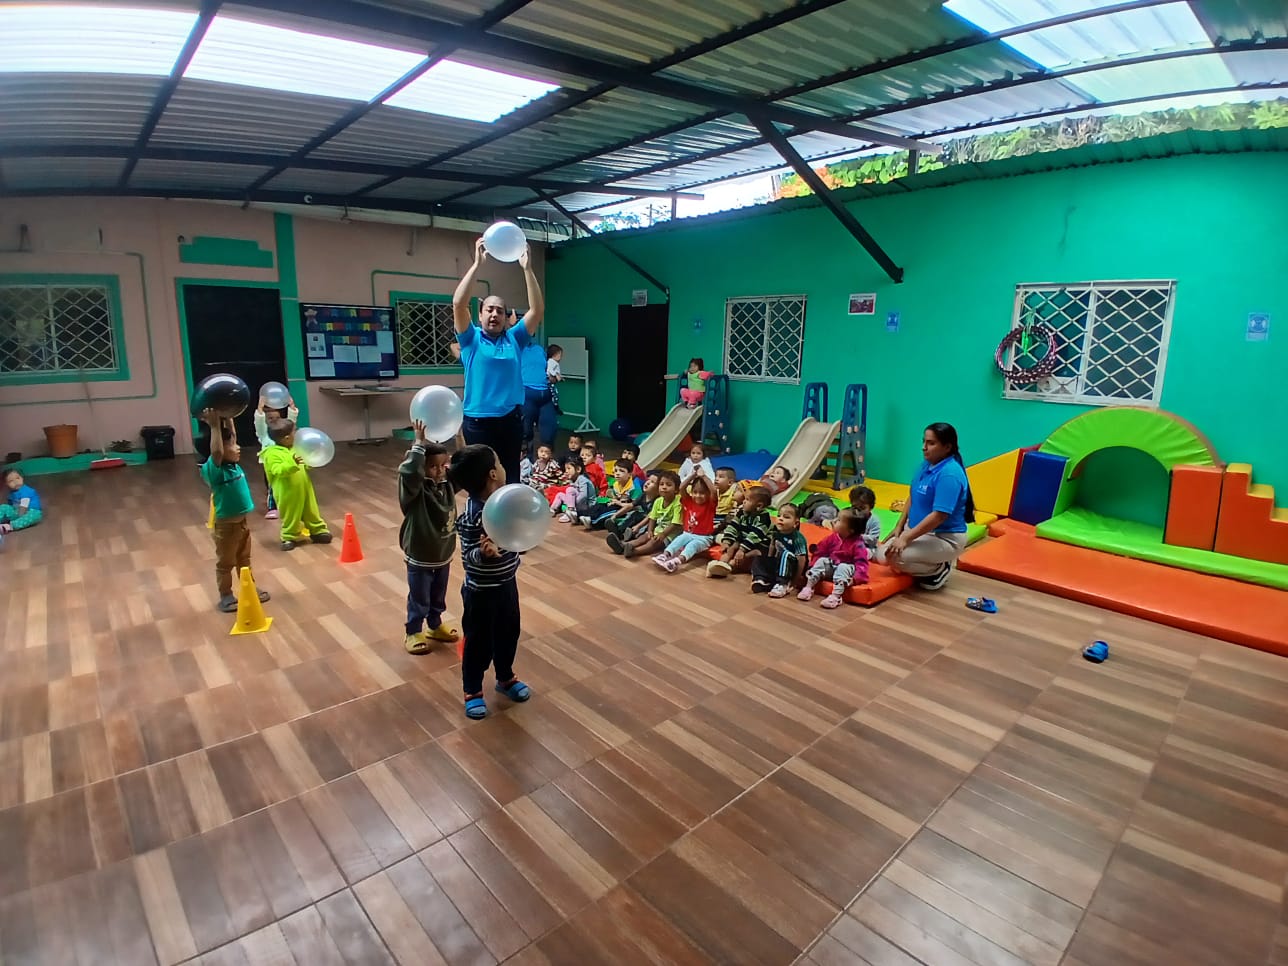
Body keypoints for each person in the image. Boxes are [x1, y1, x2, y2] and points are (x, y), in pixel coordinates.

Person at [453, 237, 544, 487]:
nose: (494, 314)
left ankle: (508, 513)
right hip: (478, 422)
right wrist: (476, 266)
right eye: (489, 309)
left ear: (506, 317)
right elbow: (458, 304)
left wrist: (527, 269)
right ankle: (478, 512)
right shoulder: (471, 338)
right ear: (480, 314)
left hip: (510, 420)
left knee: (509, 478)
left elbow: (537, 310)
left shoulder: (515, 338)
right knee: (480, 480)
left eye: (500, 311)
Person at [449, 443, 531, 720]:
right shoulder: (474, 515)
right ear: (493, 474)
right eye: (499, 463)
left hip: (507, 584)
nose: (503, 467)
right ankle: (472, 689)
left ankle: (505, 677)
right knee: (478, 643)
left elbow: (517, 536)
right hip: (480, 592)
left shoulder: (506, 505)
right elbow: (467, 557)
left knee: (509, 634)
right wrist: (483, 555)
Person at [875, 422, 975, 591]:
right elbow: (913, 495)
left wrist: (905, 539)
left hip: (943, 538)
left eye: (931, 443)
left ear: (947, 447)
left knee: (896, 559)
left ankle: (939, 569)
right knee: (882, 555)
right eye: (924, 441)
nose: (924, 447)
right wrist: (899, 526)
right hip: (918, 531)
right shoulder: (926, 465)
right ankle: (925, 562)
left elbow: (939, 516)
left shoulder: (949, 474)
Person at [398, 419, 460, 655]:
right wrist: (418, 444)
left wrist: (459, 438)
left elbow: (463, 469)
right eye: (433, 466)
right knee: (419, 597)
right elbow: (409, 472)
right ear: (422, 467)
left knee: (438, 595)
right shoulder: (414, 489)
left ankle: (434, 625)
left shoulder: (446, 485)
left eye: (443, 465)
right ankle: (413, 630)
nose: (440, 470)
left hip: (442, 554)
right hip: (420, 554)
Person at [198, 411, 270, 613]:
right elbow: (217, 452)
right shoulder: (214, 470)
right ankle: (226, 595)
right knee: (225, 563)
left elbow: (233, 436)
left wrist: (229, 416)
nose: (237, 447)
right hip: (226, 528)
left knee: (244, 560)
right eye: (230, 445)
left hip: (242, 524)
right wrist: (214, 426)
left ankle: (249, 587)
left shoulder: (232, 465)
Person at [262, 418, 332, 550]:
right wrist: (292, 464)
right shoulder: (272, 454)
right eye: (295, 431)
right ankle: (288, 536)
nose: (298, 433)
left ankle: (318, 531)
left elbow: (304, 464)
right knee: (291, 514)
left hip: (305, 488)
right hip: (287, 492)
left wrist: (311, 461)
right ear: (287, 438)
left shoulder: (297, 448)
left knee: (311, 510)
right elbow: (278, 470)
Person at [798, 508, 869, 608]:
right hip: (832, 567)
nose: (834, 521)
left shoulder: (858, 544)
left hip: (845, 573)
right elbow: (820, 551)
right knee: (822, 560)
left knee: (843, 567)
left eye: (839, 520)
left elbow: (861, 563)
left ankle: (836, 596)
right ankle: (809, 587)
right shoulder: (832, 538)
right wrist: (813, 565)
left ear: (850, 530)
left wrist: (856, 578)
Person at [606, 470, 682, 558]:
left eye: (668, 485)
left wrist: (663, 534)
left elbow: (675, 524)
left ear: (676, 490)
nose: (664, 487)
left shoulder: (678, 503)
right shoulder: (658, 501)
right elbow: (652, 518)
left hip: (670, 535)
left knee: (653, 543)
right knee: (643, 537)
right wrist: (650, 531)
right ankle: (623, 545)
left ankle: (634, 551)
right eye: (661, 484)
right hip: (657, 530)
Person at [652, 474, 717, 572]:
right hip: (688, 533)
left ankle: (676, 562)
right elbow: (681, 488)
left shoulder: (710, 504)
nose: (698, 496)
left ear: (708, 494)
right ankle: (664, 555)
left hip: (704, 538)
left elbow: (714, 491)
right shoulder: (689, 501)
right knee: (678, 540)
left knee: (692, 545)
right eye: (695, 492)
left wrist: (703, 476)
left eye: (702, 493)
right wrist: (693, 475)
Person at [706, 486, 773, 578]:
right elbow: (733, 526)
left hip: (759, 544)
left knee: (754, 552)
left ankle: (730, 565)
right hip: (744, 540)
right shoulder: (742, 512)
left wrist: (742, 550)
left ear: (759, 506)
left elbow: (755, 536)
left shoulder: (764, 518)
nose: (743, 501)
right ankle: (720, 564)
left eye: (747, 499)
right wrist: (727, 541)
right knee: (732, 547)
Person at [254, 389, 298, 521]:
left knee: (287, 483)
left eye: (277, 418)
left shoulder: (283, 431)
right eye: (270, 418)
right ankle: (273, 507)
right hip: (270, 465)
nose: (274, 420)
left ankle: (287, 502)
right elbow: (259, 422)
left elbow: (290, 424)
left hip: (285, 462)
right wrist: (260, 409)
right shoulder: (264, 433)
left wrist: (292, 408)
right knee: (272, 486)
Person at [756, 504, 808, 596]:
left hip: (792, 567)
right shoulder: (775, 531)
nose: (780, 519)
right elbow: (772, 546)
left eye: (786, 517)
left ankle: (782, 584)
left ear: (796, 523)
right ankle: (761, 579)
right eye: (779, 515)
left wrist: (794, 582)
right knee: (759, 557)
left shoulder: (797, 538)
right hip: (780, 563)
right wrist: (768, 562)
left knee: (786, 554)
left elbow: (801, 561)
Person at [520, 339, 558, 459]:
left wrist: (553, 377)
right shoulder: (515, 348)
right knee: (526, 433)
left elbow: (546, 370)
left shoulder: (539, 349)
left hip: (545, 394)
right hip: (526, 393)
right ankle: (527, 463)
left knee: (550, 430)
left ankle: (547, 464)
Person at [588, 458, 642, 530]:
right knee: (600, 505)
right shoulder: (616, 484)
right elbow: (615, 498)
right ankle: (584, 516)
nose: (617, 473)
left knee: (608, 512)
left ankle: (592, 523)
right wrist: (612, 501)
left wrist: (618, 503)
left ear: (629, 474)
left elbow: (633, 506)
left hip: (629, 511)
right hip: (618, 505)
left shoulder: (635, 488)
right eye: (616, 471)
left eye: (621, 471)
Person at [549, 456, 597, 525]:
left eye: (569, 468)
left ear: (578, 469)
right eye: (566, 469)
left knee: (570, 490)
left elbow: (584, 495)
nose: (566, 471)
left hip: (587, 504)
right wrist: (570, 501)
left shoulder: (582, 479)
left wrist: (573, 503)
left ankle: (571, 511)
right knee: (560, 495)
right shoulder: (573, 479)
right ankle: (552, 510)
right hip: (577, 502)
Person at [0, 467, 43, 534]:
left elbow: (24, 506)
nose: (16, 482)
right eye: (11, 481)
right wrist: (11, 513)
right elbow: (11, 505)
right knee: (3, 507)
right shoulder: (11, 493)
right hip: (17, 511)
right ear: (6, 484)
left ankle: (10, 526)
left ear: (22, 478)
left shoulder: (25, 490)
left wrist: (19, 517)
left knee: (35, 515)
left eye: (18, 478)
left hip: (30, 511)